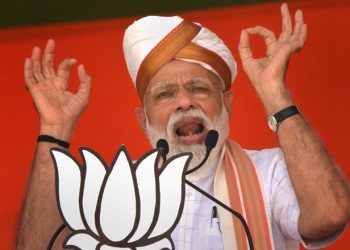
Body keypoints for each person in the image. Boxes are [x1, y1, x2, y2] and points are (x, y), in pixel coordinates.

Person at [17, 3, 349, 250]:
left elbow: (329, 215)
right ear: (143, 121)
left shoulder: (272, 172)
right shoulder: (115, 190)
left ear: (227, 105)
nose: (184, 101)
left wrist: (276, 94)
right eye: (164, 93)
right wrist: (54, 131)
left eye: (199, 87)